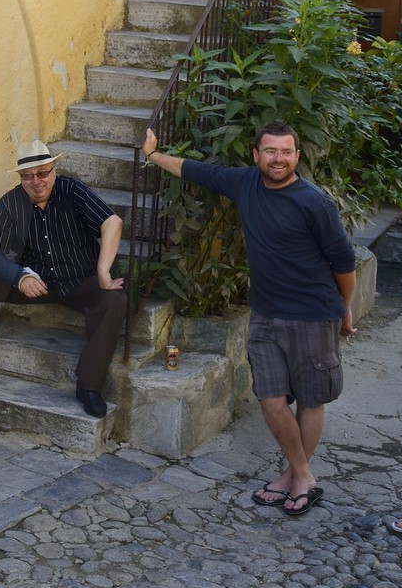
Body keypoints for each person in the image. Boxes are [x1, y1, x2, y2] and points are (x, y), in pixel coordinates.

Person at [141, 123, 356, 518]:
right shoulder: (245, 183)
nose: (279, 158)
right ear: (256, 155)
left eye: (286, 151)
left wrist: (345, 307)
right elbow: (196, 170)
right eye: (270, 151)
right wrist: (153, 155)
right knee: (271, 399)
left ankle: (293, 478)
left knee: (310, 399)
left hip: (312, 313)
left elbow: (343, 262)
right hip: (265, 314)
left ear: (297, 156)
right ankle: (303, 476)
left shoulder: (314, 203)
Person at [0, 140, 126, 418]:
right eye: (28, 176)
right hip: (36, 282)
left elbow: (112, 222)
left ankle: (89, 386)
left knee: (113, 300)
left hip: (79, 279)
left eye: (43, 173)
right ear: (21, 178)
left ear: (53, 170)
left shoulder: (72, 190)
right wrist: (19, 277)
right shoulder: (11, 203)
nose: (37, 181)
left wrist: (103, 270)